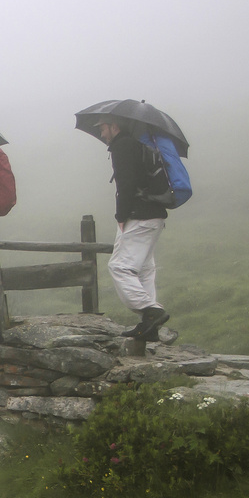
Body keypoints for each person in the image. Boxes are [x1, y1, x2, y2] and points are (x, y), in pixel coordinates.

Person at [99, 120, 170, 339]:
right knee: (145, 269)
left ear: (115, 126)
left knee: (119, 267)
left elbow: (125, 183)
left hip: (138, 215)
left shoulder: (123, 146)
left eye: (103, 127)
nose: (101, 133)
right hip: (154, 214)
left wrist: (121, 215)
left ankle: (151, 311)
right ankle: (149, 329)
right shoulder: (140, 145)